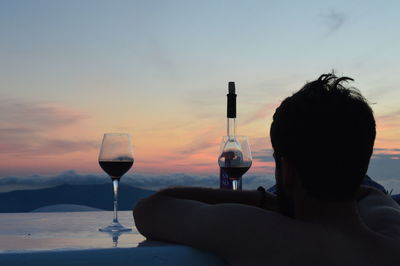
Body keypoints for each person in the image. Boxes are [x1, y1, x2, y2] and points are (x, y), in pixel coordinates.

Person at [133, 74, 400, 266]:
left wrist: (268, 200)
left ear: (288, 171)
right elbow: (372, 197)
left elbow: (151, 208)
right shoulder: (391, 236)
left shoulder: (261, 235)